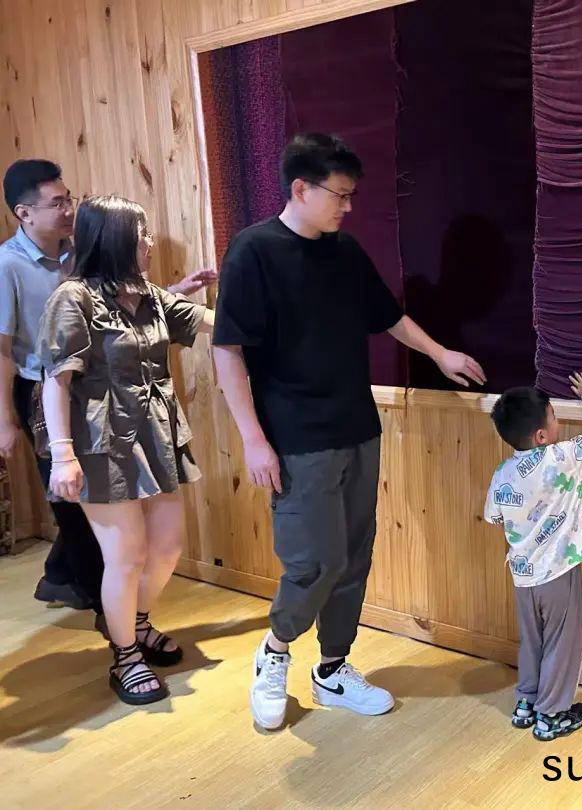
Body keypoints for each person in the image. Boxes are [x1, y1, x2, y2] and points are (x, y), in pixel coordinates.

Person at [212, 133, 486, 731]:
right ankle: (275, 651)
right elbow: (227, 351)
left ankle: (332, 669)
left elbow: (389, 317)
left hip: (358, 426)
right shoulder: (253, 251)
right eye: (339, 194)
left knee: (355, 556)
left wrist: (441, 354)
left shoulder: (345, 251)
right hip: (295, 437)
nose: (348, 206)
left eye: (351, 195)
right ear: (300, 189)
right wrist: (253, 440)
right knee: (315, 561)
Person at [0, 159, 216, 625]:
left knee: (139, 536)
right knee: (88, 520)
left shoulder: (84, 258)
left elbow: (124, 317)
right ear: (24, 212)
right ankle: (116, 626)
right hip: (56, 400)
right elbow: (18, 357)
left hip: (129, 406)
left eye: (69, 199)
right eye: (57, 203)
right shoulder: (17, 269)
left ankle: (108, 606)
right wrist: (11, 424)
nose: (68, 210)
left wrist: (178, 294)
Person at [39, 194, 215, 705]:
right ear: (114, 240)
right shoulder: (73, 298)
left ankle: (135, 623)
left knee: (168, 547)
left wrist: (272, 307)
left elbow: (212, 319)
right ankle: (125, 655)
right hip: (100, 442)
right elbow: (56, 381)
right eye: (142, 235)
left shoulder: (150, 295)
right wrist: (63, 455)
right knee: (126, 555)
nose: (150, 243)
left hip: (155, 434)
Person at [484, 373, 582, 740]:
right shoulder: (561, 457)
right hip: (557, 571)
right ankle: (551, 714)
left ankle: (527, 701)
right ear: (541, 435)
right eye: (553, 417)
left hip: (522, 575)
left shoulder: (502, 473)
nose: (557, 421)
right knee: (560, 641)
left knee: (532, 639)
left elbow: (493, 517)